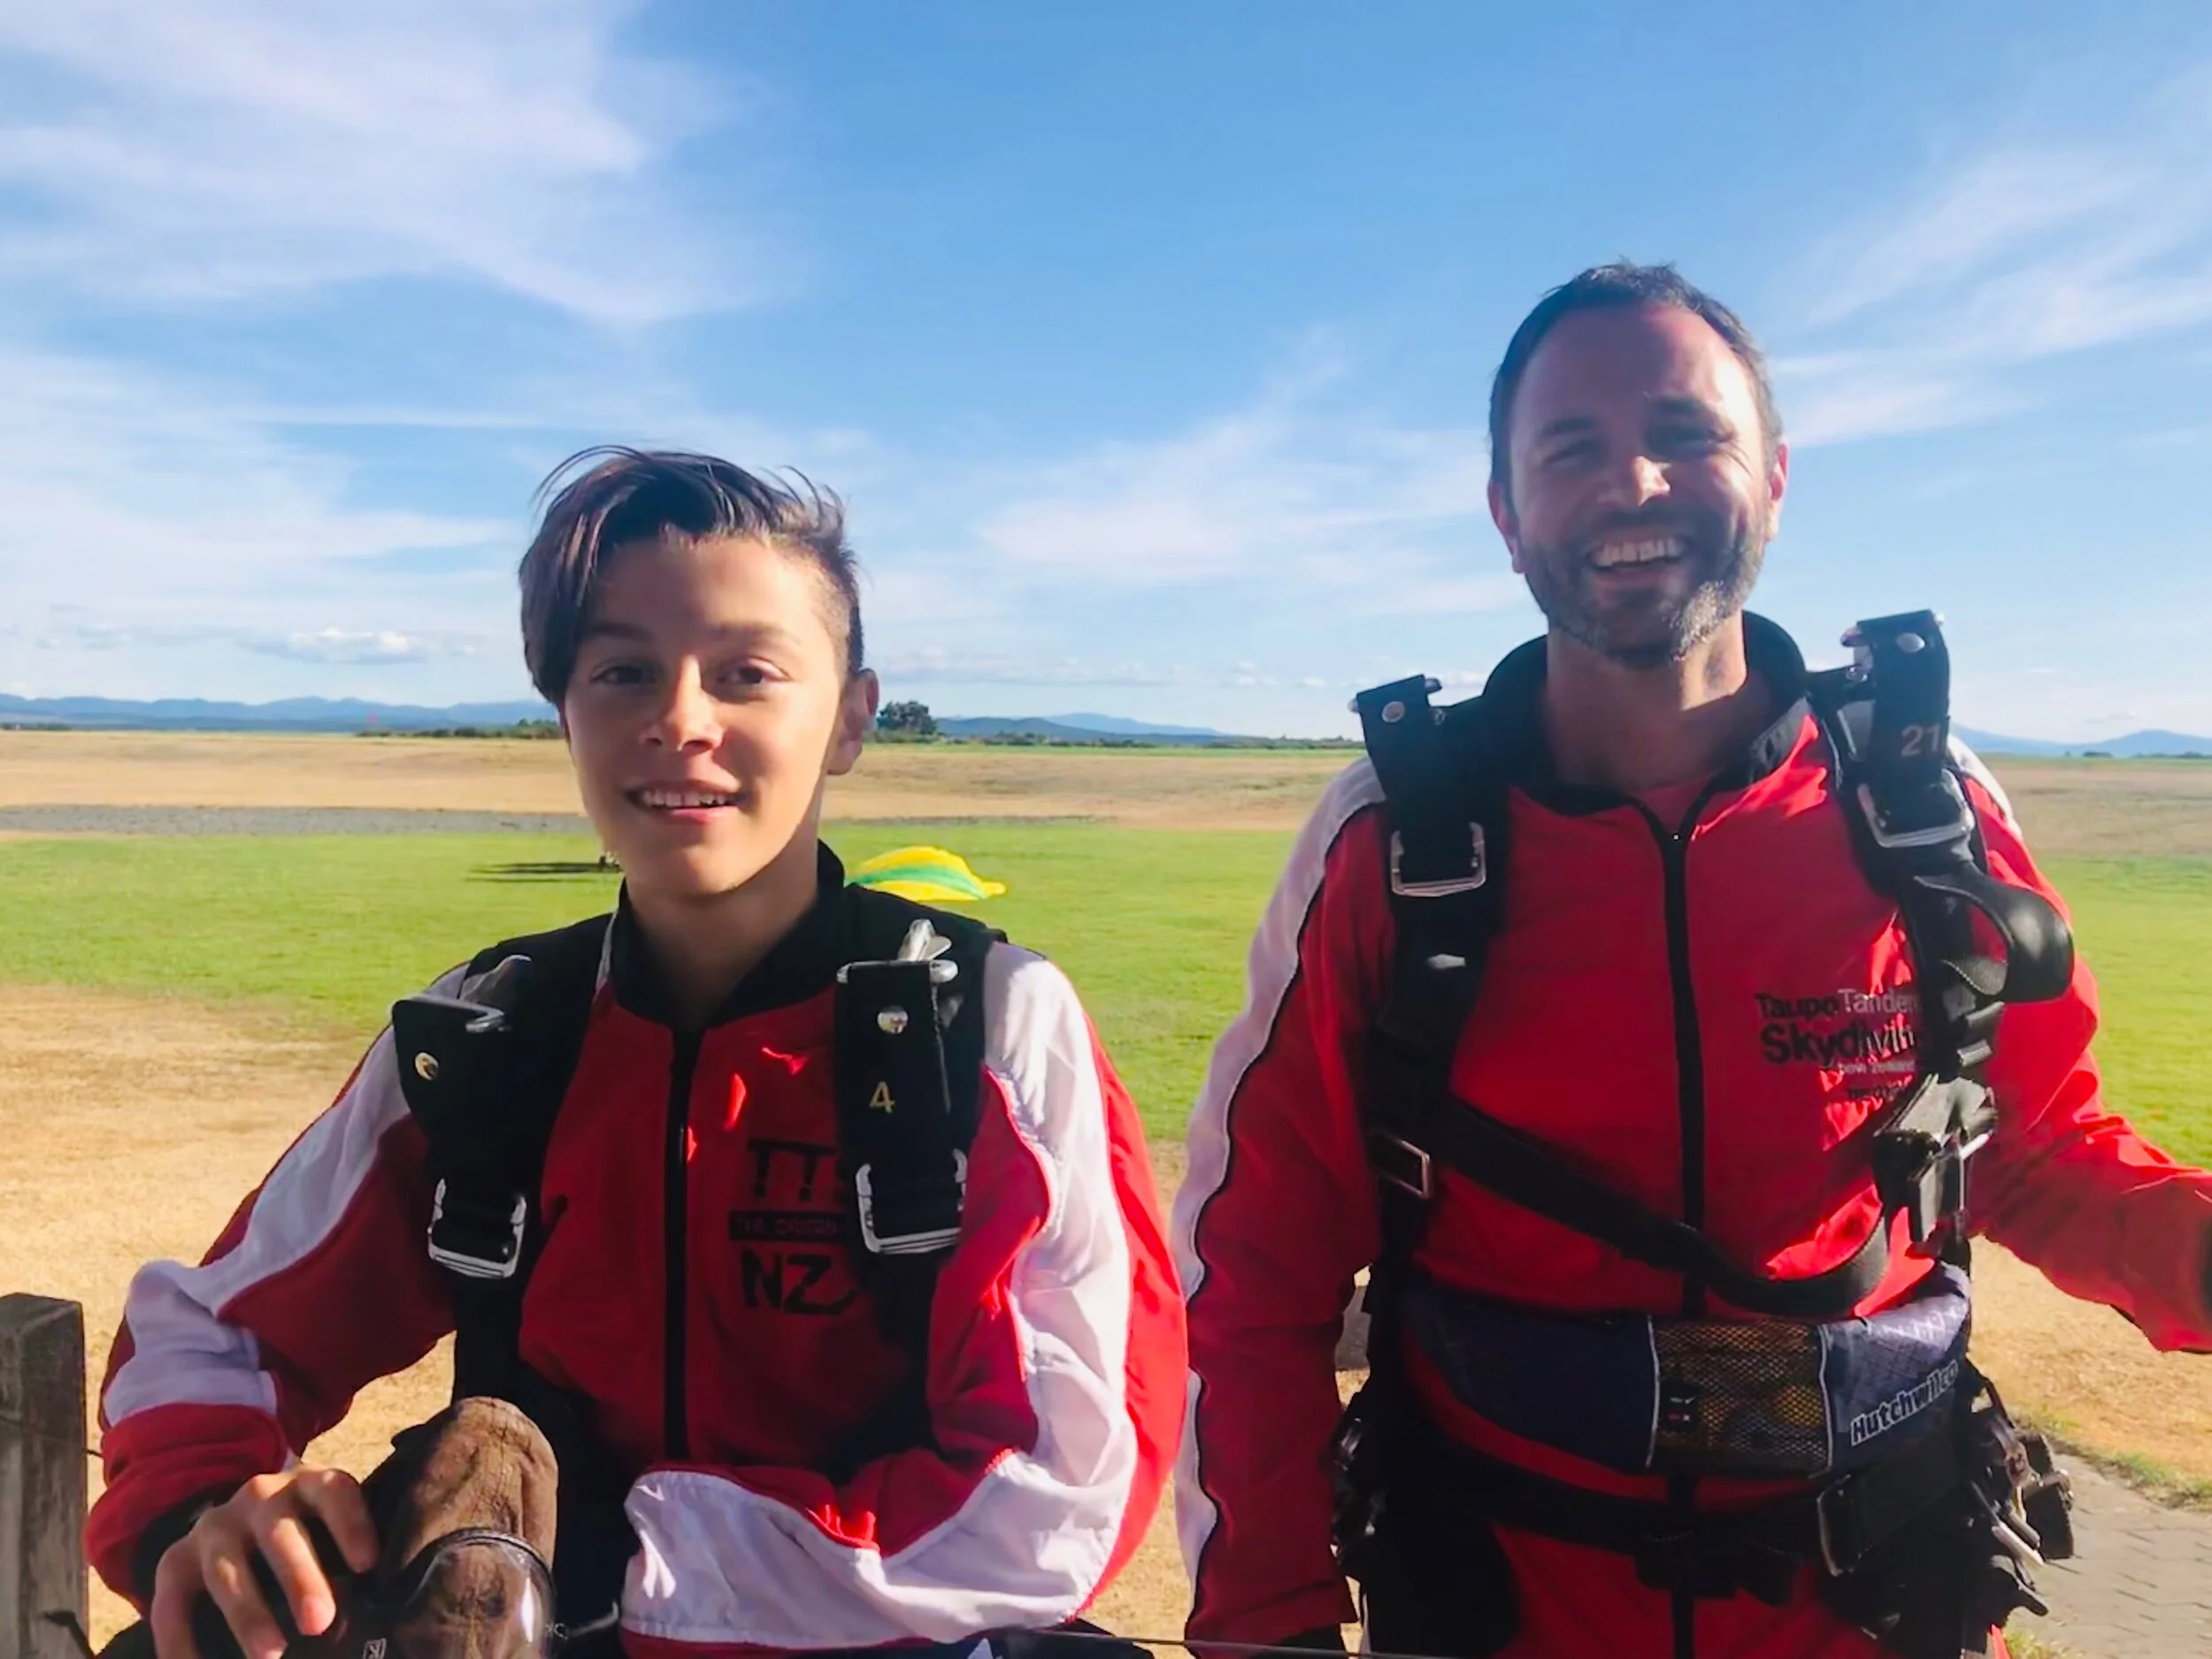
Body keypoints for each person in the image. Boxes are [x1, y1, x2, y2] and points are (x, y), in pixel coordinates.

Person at [1172, 265, 2212, 1659]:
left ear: (1774, 477)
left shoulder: (1919, 809)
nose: (1635, 482)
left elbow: (2027, 1145)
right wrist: (1269, 1621)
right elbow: (1257, 1265)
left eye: (1687, 433)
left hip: (1879, 1606)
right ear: (1506, 513)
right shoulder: (1397, 845)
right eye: (1572, 449)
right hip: (1499, 1607)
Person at [90, 449, 1186, 1659]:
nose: (680, 720)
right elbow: (211, 1332)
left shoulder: (988, 1029)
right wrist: (205, 1518)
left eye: (747, 672)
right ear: (565, 712)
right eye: (622, 671)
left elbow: (1051, 1502)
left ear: (852, 717)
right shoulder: (495, 1031)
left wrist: (604, 1574)